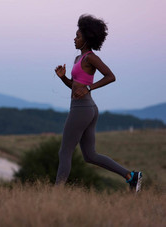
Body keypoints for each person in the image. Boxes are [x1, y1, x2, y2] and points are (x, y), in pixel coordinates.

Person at [54, 14, 142, 192]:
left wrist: (89, 88)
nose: (74, 39)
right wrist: (63, 78)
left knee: (64, 152)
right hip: (87, 108)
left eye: (78, 36)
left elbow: (111, 76)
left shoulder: (90, 58)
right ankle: (131, 177)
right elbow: (74, 86)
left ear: (87, 39)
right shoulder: (78, 59)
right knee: (90, 155)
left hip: (83, 109)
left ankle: (55, 195)